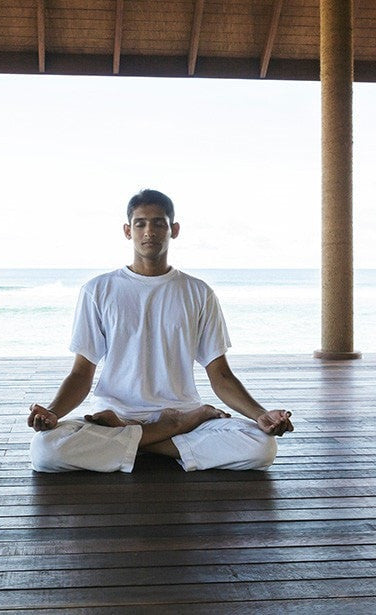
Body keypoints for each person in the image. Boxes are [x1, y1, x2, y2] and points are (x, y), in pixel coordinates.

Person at [27, 189, 294, 473]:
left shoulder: (198, 292)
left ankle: (138, 439)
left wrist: (261, 415)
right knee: (45, 451)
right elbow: (81, 373)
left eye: (158, 223)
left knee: (262, 447)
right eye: (140, 223)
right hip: (117, 413)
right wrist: (54, 413)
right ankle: (165, 438)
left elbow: (221, 374)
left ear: (173, 229)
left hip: (180, 414)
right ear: (128, 231)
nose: (149, 231)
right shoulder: (98, 290)